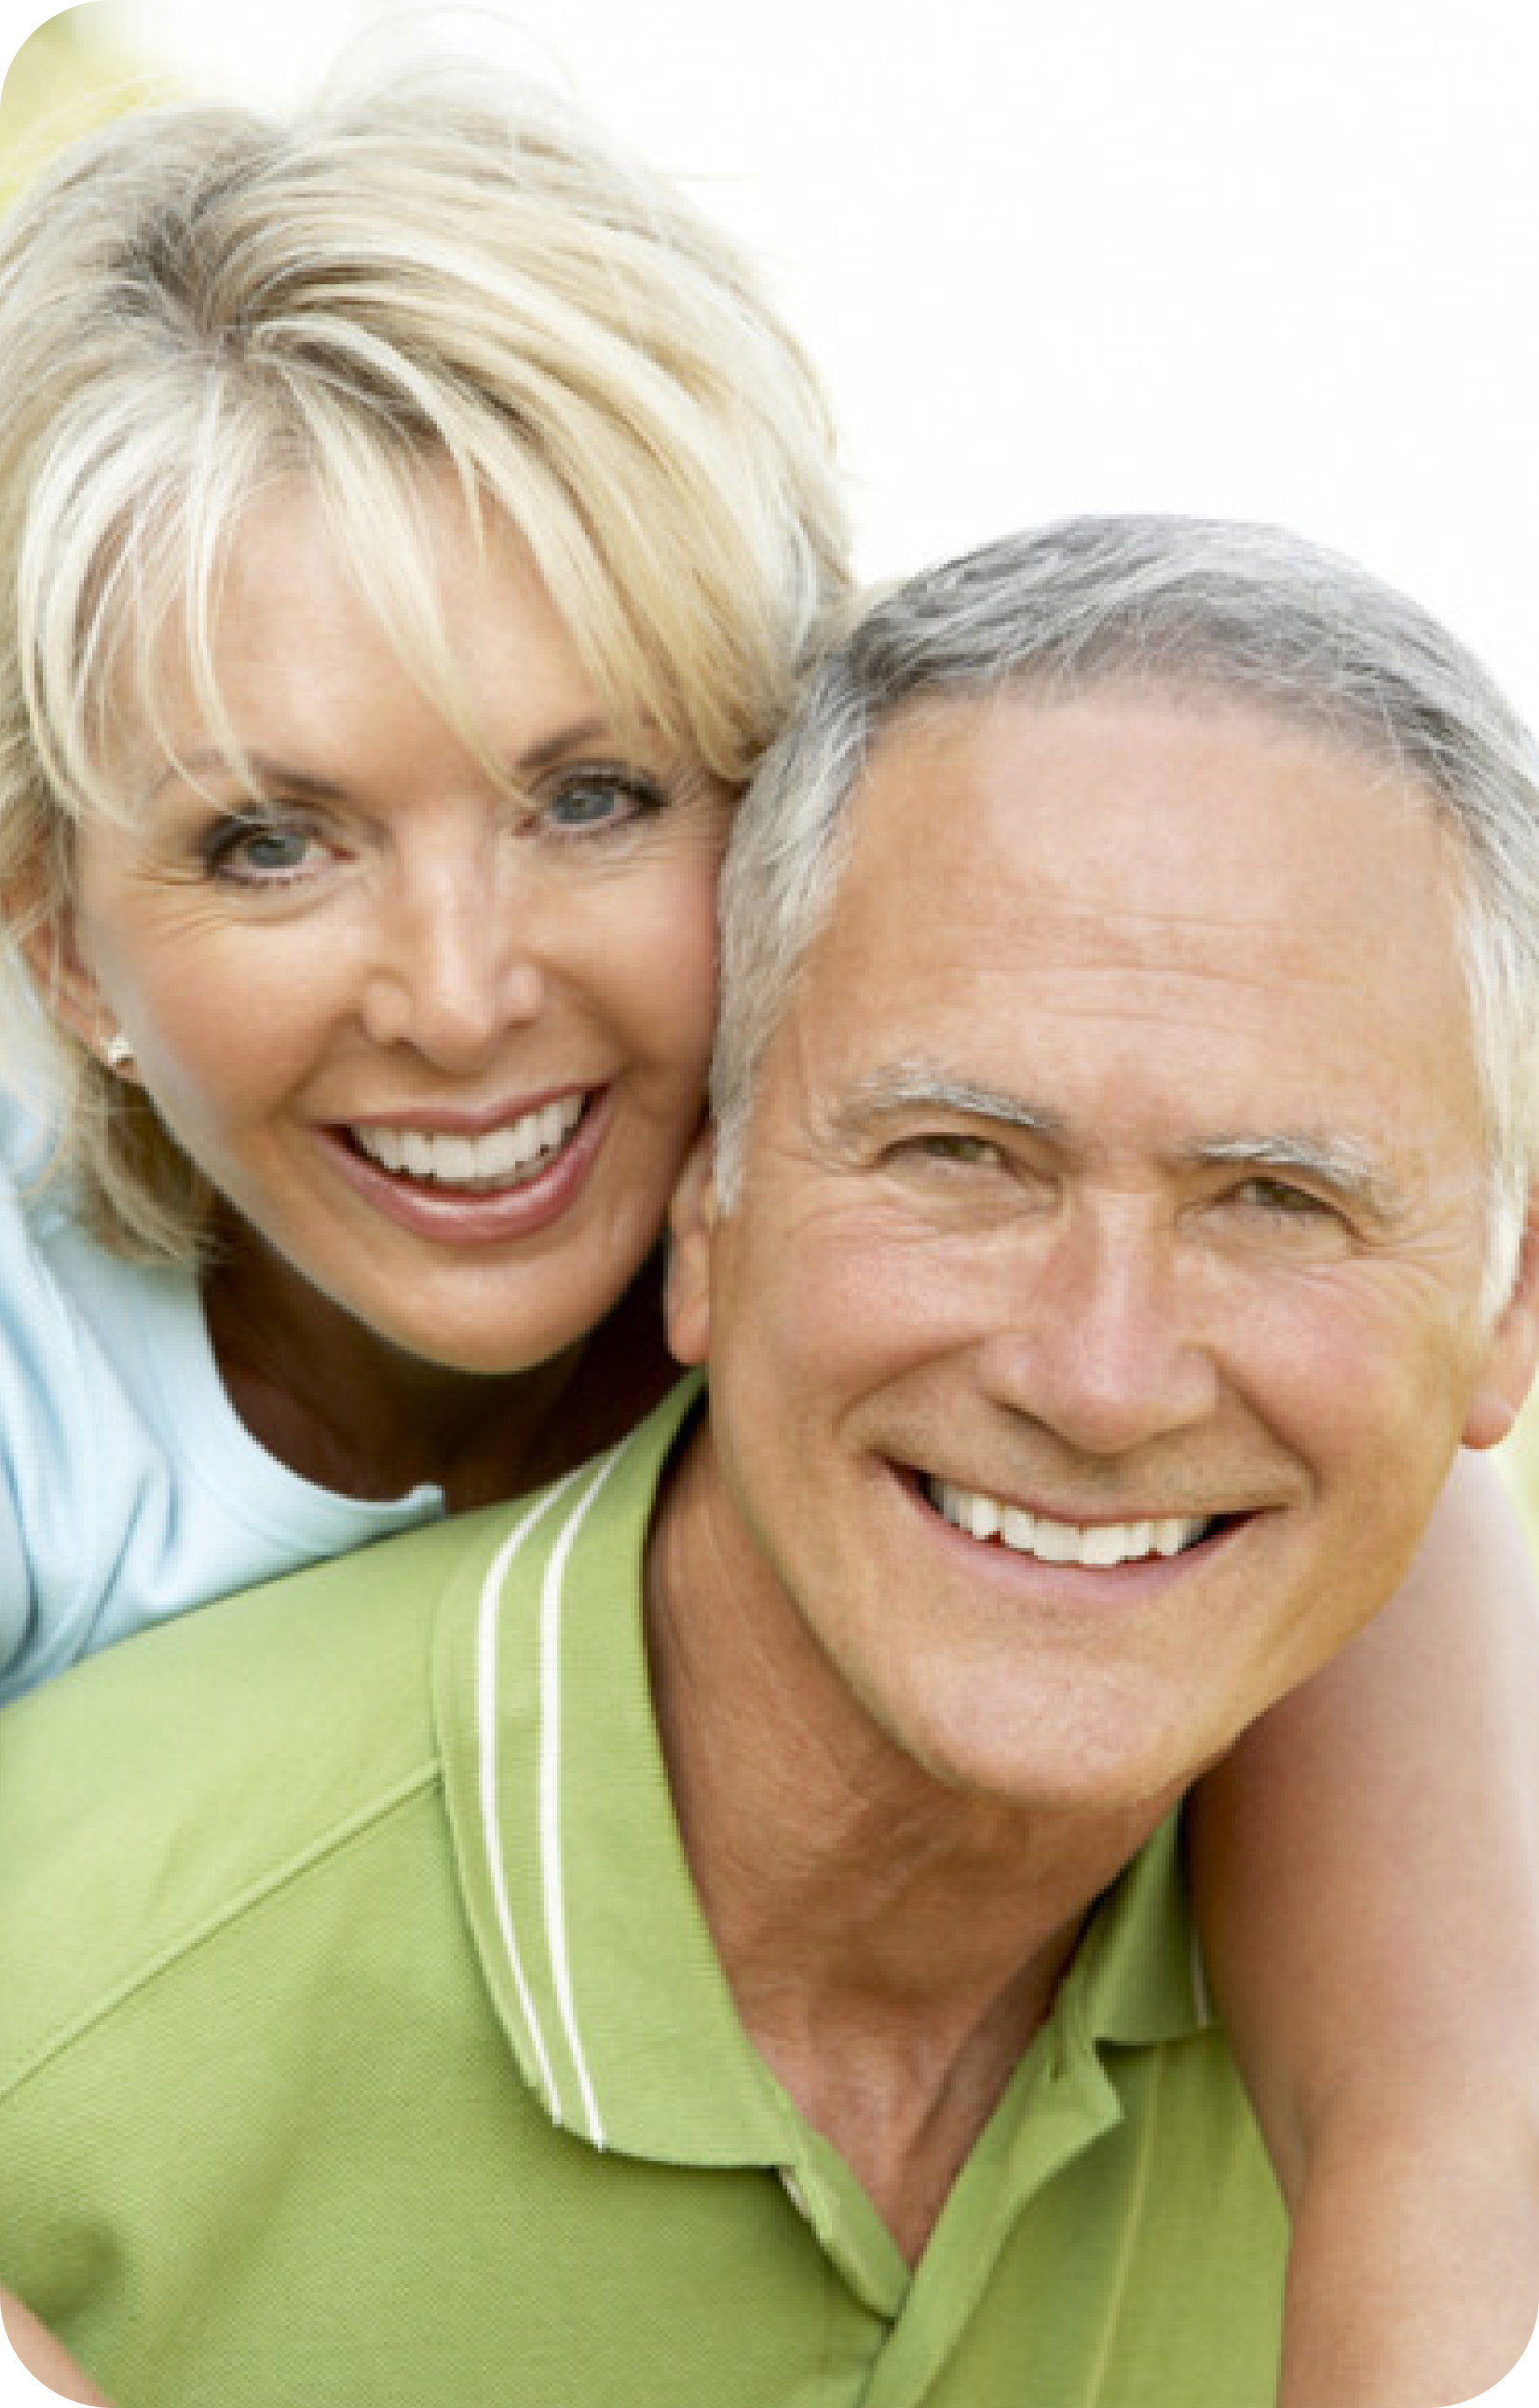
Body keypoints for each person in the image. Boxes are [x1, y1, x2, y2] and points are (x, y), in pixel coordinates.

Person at [0, 66, 1532, 2399]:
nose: (461, 987)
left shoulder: (972, 1292)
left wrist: (1432, 2151)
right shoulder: (40, 1422)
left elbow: (1363, 1467)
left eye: (594, 794)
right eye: (270, 841)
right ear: (67, 951)